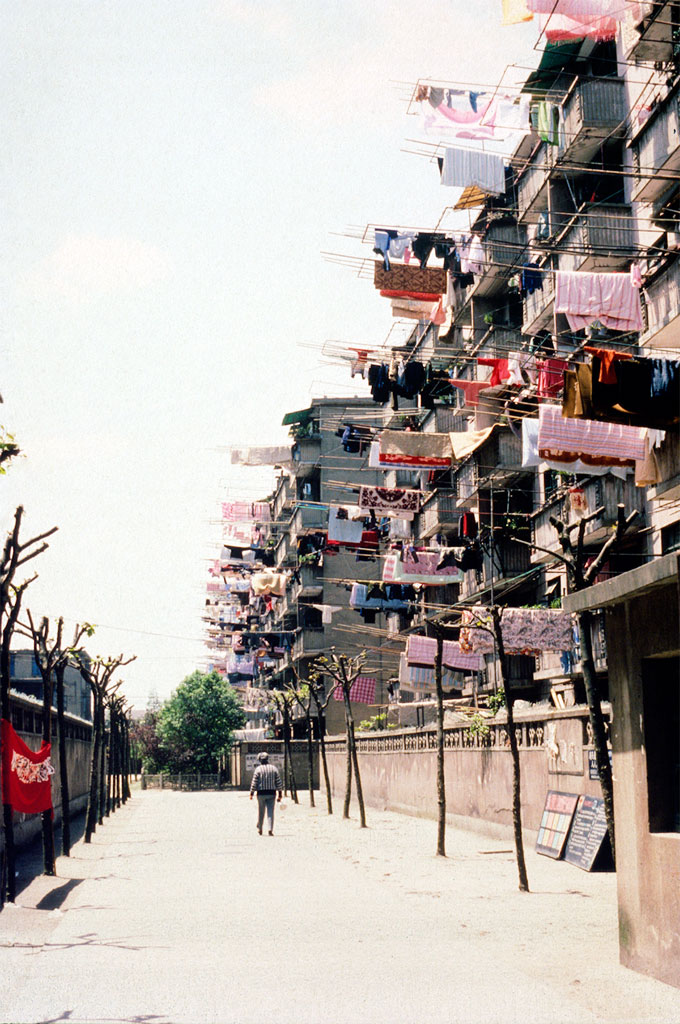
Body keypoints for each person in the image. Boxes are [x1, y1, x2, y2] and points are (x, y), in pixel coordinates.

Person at [249, 751, 283, 835]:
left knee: (261, 811)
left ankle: (260, 828)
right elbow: (278, 782)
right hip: (272, 793)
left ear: (260, 760)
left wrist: (251, 793)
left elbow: (254, 782)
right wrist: (280, 794)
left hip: (261, 793)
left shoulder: (258, 769)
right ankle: (270, 829)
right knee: (270, 811)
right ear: (267, 759)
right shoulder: (274, 768)